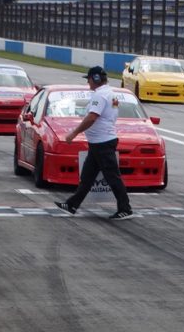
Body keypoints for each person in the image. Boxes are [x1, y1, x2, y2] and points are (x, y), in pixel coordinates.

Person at [55, 66, 134, 220]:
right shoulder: (111, 94)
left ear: (96, 79)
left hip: (102, 143)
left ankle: (126, 209)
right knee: (87, 177)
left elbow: (92, 117)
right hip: (99, 142)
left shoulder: (100, 95)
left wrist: (74, 133)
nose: (88, 83)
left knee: (113, 177)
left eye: (89, 79)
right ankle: (72, 205)